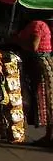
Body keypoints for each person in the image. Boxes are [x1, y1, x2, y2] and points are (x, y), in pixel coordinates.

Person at [15, 14, 53, 146]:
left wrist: (17, 40)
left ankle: (49, 137)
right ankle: (49, 136)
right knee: (48, 100)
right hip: (45, 63)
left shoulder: (37, 25)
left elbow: (34, 45)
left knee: (45, 99)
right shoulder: (43, 25)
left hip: (39, 64)